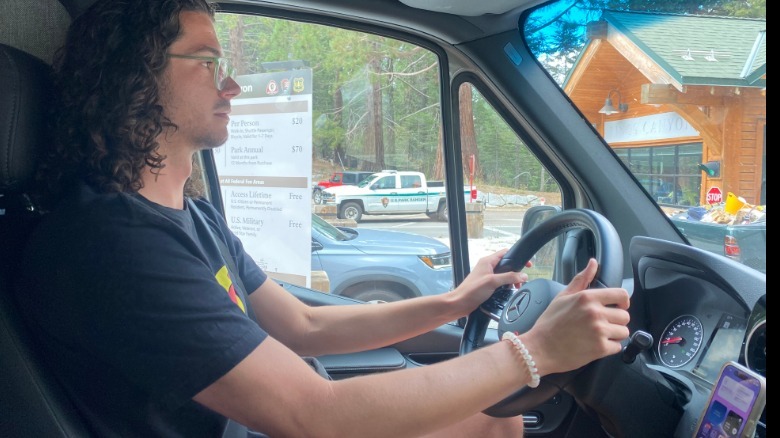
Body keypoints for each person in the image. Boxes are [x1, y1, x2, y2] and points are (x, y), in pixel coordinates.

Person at [16, 0, 632, 437]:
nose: (229, 84)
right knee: (491, 425)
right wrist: (534, 353)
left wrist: (455, 303)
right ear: (136, 78)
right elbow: (316, 417)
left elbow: (305, 324)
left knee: (489, 422)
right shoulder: (113, 244)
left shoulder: (189, 216)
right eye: (205, 62)